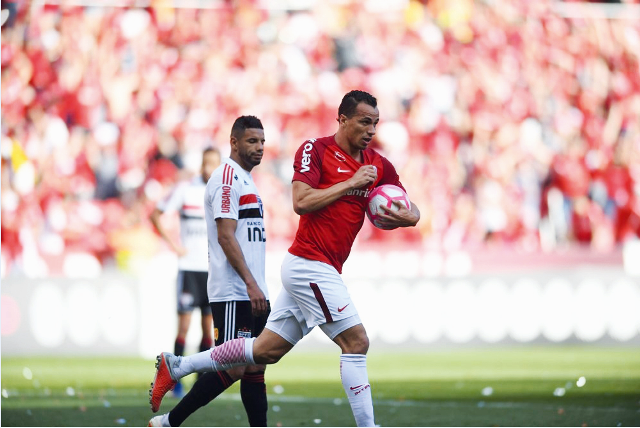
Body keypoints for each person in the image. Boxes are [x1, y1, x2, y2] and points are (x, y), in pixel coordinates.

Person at [149, 91, 420, 427]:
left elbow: (409, 206)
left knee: (262, 352)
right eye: (365, 122)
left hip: (322, 267)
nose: (371, 130)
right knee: (356, 342)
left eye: (375, 123)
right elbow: (301, 201)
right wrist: (351, 183)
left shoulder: (378, 164)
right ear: (343, 119)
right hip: (310, 264)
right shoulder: (315, 150)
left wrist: (407, 216)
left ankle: (179, 370)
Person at [149, 116, 270, 427]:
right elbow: (225, 236)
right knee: (235, 365)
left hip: (253, 288)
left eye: (262, 141)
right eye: (252, 141)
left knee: (255, 365)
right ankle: (169, 418)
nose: (259, 147)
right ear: (234, 142)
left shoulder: (246, 179)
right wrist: (250, 284)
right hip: (234, 290)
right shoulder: (226, 179)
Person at [149, 147, 221, 397]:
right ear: (201, 164)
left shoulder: (223, 192)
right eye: (206, 162)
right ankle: (174, 380)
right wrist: (174, 245)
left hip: (212, 270)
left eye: (214, 163)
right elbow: (155, 214)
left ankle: (200, 383)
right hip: (189, 268)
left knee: (208, 329)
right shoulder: (185, 190)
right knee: (184, 326)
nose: (209, 168)